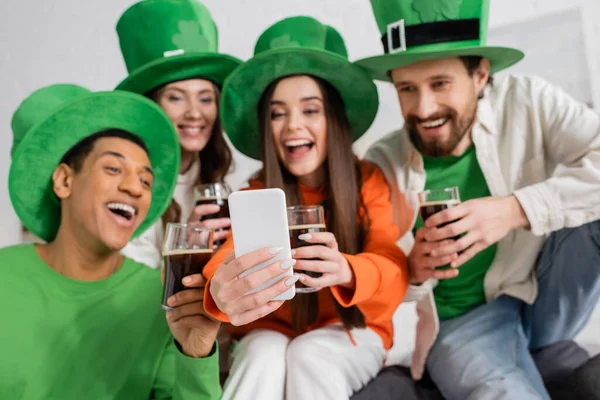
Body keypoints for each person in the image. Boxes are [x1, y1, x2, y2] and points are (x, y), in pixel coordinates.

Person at [354, 0, 600, 399]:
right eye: (407, 89)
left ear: (480, 75)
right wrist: (413, 269)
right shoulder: (383, 163)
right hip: (464, 320)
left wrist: (516, 209)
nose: (423, 108)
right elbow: (379, 273)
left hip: (547, 287)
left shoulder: (529, 101)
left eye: (440, 84)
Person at [196, 16, 411, 400]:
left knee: (309, 354)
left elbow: (392, 266)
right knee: (262, 352)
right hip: (272, 332)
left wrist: (346, 269)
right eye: (277, 114)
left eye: (310, 110)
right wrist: (218, 289)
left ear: (334, 119)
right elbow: (228, 255)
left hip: (353, 330)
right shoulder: (256, 192)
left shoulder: (368, 182)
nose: (292, 125)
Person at [0, 84, 222, 399]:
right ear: (64, 180)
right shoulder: (5, 276)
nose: (135, 188)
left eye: (146, 180)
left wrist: (196, 354)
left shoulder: (164, 300)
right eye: (114, 168)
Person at [115, 0, 242, 268]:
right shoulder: (126, 183)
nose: (195, 113)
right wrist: (184, 245)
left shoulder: (221, 171)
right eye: (176, 98)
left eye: (206, 99)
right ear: (152, 106)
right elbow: (128, 285)